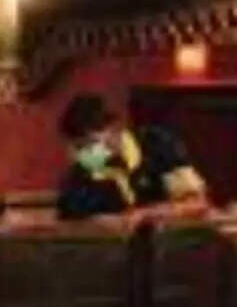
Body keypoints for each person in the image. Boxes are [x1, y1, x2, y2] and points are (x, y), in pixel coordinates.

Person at [55, 93, 209, 222]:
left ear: (114, 129)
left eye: (89, 143)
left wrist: (146, 215)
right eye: (78, 148)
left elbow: (196, 204)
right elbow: (73, 225)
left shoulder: (157, 144)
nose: (84, 153)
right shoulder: (78, 179)